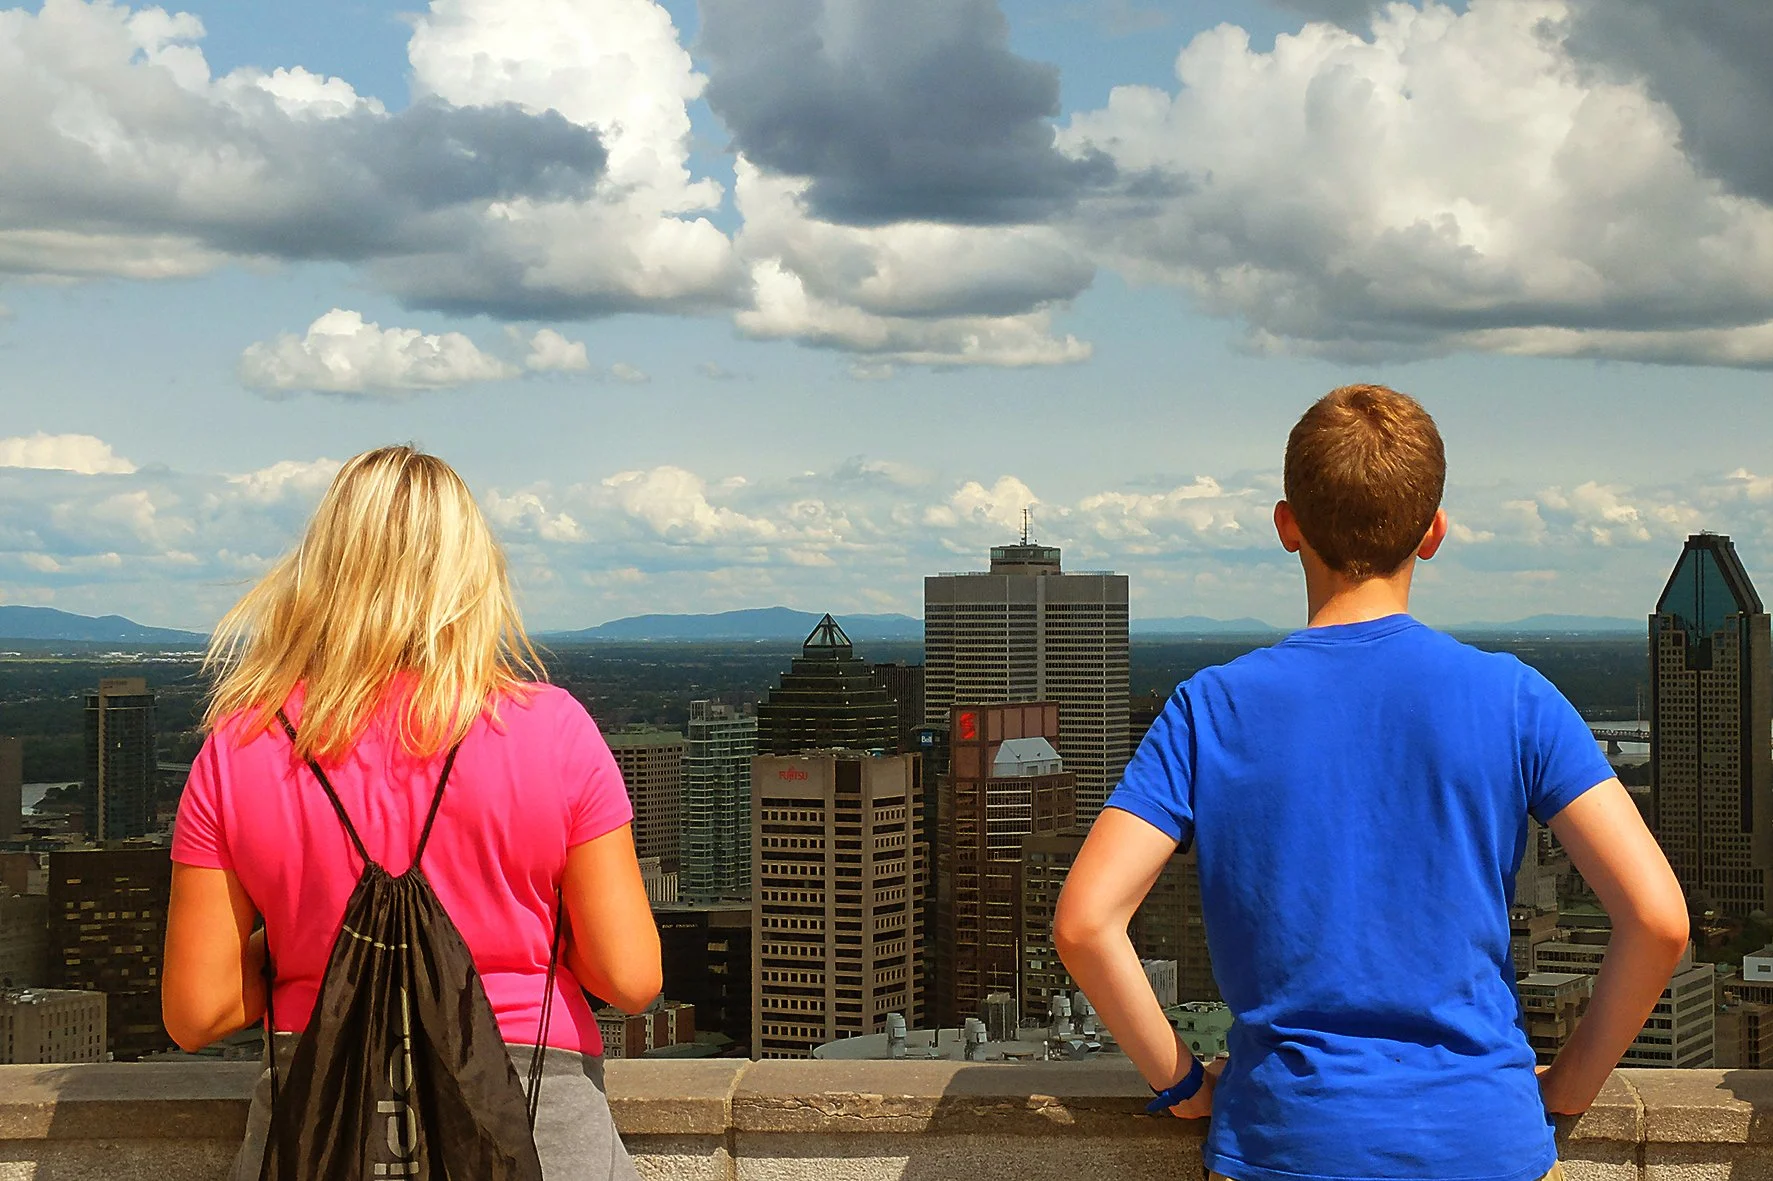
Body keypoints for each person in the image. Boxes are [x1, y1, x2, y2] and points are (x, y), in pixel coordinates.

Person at [1055, 386, 1689, 1181]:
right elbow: (1659, 920)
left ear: (1287, 527)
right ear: (1433, 533)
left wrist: (1180, 1081)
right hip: (1481, 1140)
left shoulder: (1209, 706)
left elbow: (1084, 923)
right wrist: (1566, 1087)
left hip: (1284, 1141)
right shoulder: (1513, 696)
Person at [162, 445, 661, 1179]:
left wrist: (305, 944)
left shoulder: (239, 747)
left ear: (321, 571)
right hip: (534, 1118)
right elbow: (630, 976)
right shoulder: (553, 731)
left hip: (323, 1117)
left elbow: (196, 1011)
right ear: (472, 574)